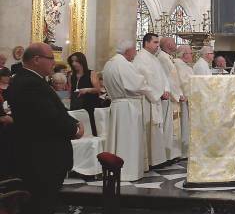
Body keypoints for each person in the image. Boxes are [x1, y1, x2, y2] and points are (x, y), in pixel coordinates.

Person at [5, 42, 84, 214]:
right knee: (41, 203)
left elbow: (54, 111)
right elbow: (49, 117)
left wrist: (72, 123)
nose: (54, 63)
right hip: (42, 156)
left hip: (40, 155)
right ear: (36, 59)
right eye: (50, 59)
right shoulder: (30, 83)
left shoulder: (27, 79)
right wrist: (75, 130)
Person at [101, 40, 150, 181]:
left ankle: (114, 169)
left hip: (117, 105)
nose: (135, 54)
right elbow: (135, 84)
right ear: (128, 51)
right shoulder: (124, 64)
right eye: (134, 50)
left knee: (118, 139)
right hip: (128, 108)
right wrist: (146, 82)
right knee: (128, 141)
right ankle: (128, 171)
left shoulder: (109, 63)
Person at [133, 33, 170, 168]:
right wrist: (159, 93)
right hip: (147, 100)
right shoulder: (140, 58)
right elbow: (143, 81)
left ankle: (157, 159)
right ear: (146, 43)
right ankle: (150, 160)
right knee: (150, 130)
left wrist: (166, 89)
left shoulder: (153, 58)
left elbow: (162, 76)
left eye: (158, 43)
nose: (157, 46)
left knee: (156, 130)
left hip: (156, 98)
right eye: (155, 42)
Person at [157, 38, 183, 161]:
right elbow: (168, 80)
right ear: (168, 45)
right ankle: (170, 154)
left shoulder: (167, 57)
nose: (176, 45)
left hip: (174, 96)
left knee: (173, 127)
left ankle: (173, 153)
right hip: (170, 97)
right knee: (170, 127)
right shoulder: (163, 58)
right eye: (174, 42)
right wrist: (177, 95)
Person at [68, 52, 102, 136]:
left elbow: (98, 90)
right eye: (72, 61)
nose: (74, 64)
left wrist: (87, 90)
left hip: (90, 105)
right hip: (77, 105)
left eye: (76, 61)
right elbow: (71, 91)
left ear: (82, 61)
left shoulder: (91, 73)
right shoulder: (71, 76)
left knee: (92, 129)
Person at [173, 45, 195, 156]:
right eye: (190, 53)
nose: (192, 55)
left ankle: (187, 150)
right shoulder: (178, 65)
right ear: (184, 55)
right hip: (183, 100)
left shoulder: (186, 66)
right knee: (184, 125)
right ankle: (184, 151)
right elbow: (183, 82)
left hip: (189, 99)